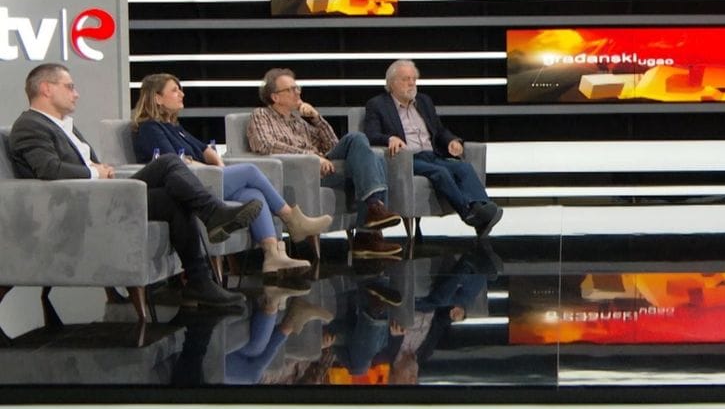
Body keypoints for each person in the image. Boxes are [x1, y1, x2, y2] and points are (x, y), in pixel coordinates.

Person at [9, 63, 254, 309]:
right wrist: (95, 172)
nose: (77, 94)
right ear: (46, 88)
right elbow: (49, 170)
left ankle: (199, 281)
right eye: (70, 87)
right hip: (81, 205)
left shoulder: (63, 125)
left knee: (175, 197)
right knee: (168, 162)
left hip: (102, 195)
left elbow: (81, 164)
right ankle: (213, 213)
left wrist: (98, 168)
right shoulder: (30, 125)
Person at [131, 73, 333, 275]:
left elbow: (204, 149)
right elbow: (175, 161)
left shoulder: (175, 128)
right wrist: (212, 169)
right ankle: (292, 219)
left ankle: (273, 255)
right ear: (157, 98)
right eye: (175, 90)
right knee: (250, 170)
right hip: (187, 185)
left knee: (254, 195)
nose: (182, 94)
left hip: (206, 176)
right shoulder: (150, 129)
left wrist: (218, 165)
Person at [247, 68, 403, 258]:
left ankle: (369, 225)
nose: (298, 92)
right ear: (275, 97)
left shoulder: (298, 121)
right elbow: (265, 144)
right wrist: (312, 157)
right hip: (303, 174)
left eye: (298, 88)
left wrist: (316, 118)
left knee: (371, 154)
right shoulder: (261, 115)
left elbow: (332, 145)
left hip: (325, 168)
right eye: (291, 89)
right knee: (358, 140)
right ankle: (369, 228)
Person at [363, 59, 502, 237]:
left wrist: (451, 141)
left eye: (414, 79)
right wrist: (390, 138)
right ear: (392, 83)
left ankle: (481, 209)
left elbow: (439, 130)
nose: (412, 83)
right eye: (406, 79)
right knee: (441, 173)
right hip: (407, 159)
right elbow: (370, 135)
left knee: (463, 167)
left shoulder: (423, 101)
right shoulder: (378, 105)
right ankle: (467, 213)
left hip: (432, 154)